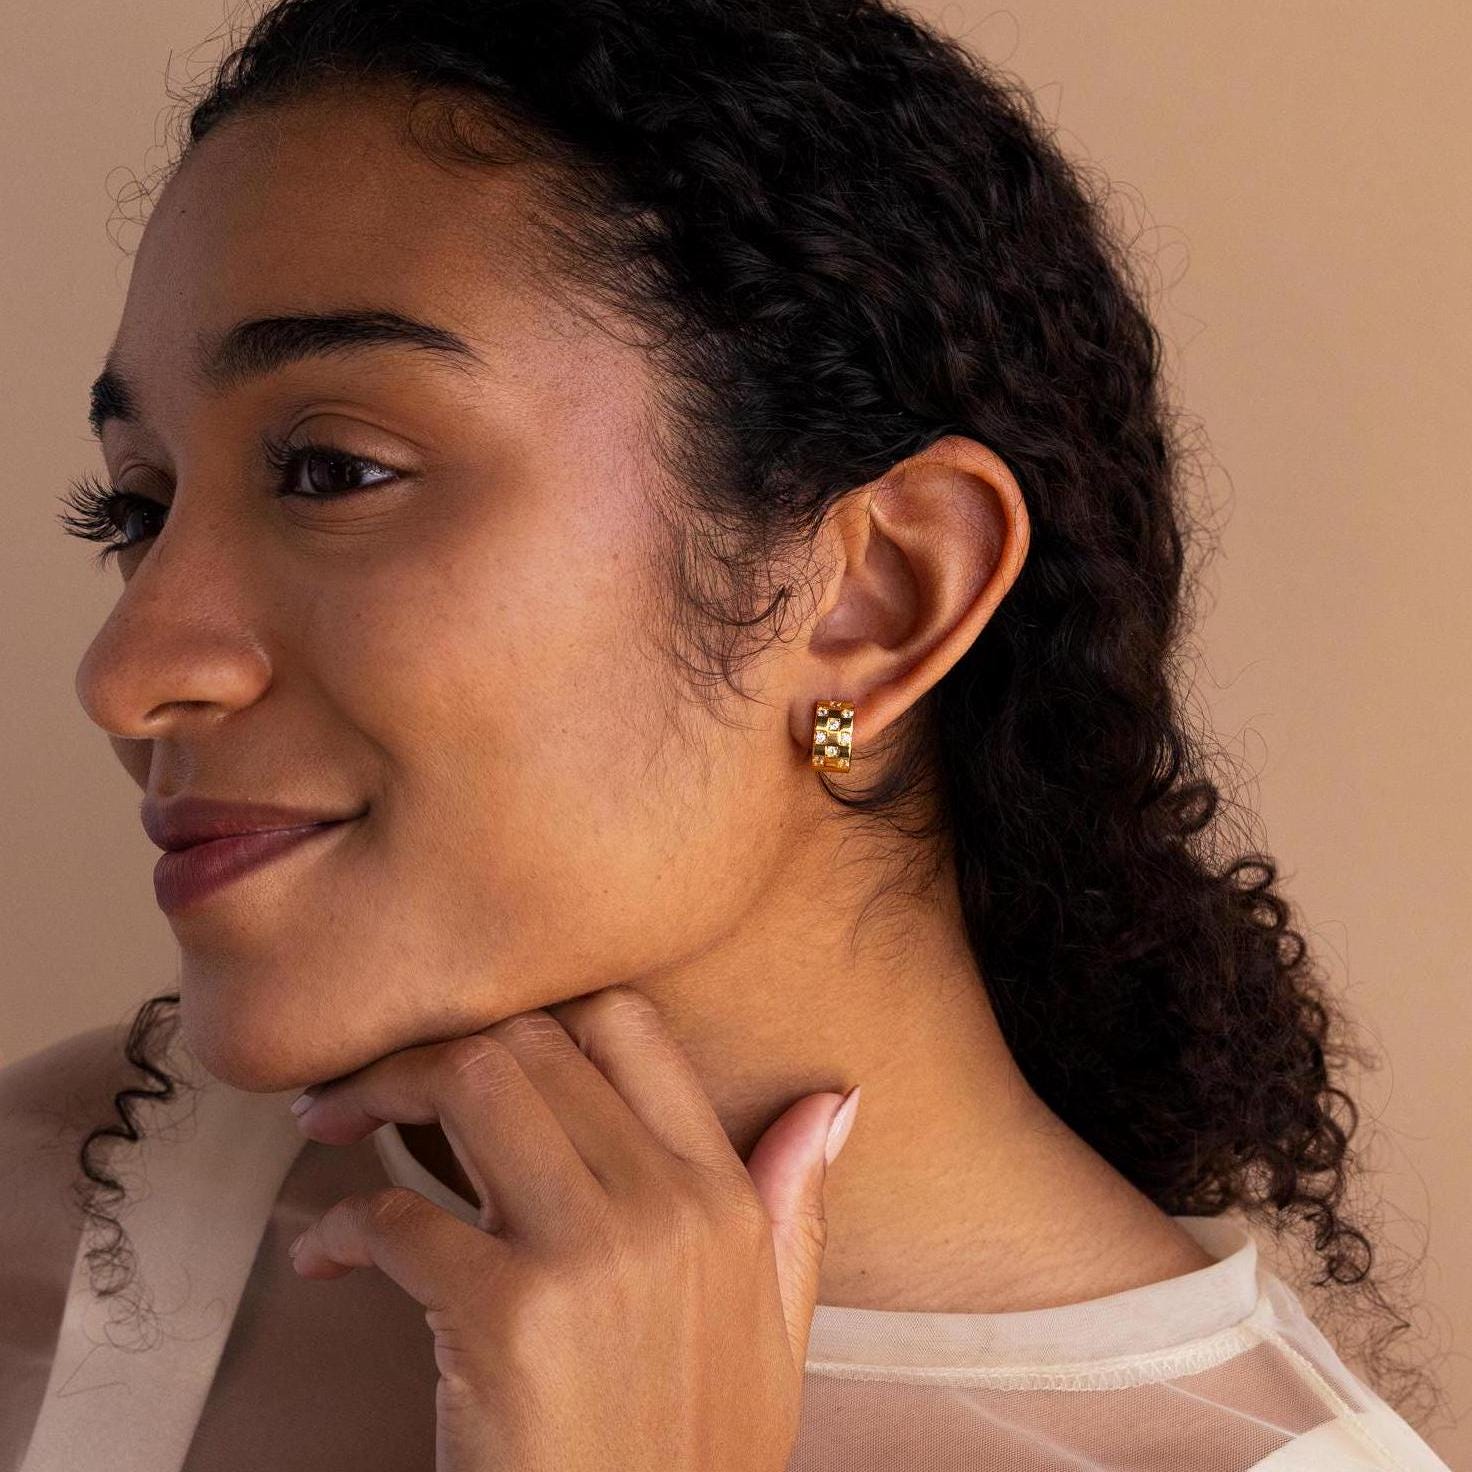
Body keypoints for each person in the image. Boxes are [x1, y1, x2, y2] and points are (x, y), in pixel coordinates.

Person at [1, 0, 1450, 1468]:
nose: (127, 673)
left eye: (331, 470)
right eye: (137, 508)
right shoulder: (68, 1208)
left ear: (876, 598)